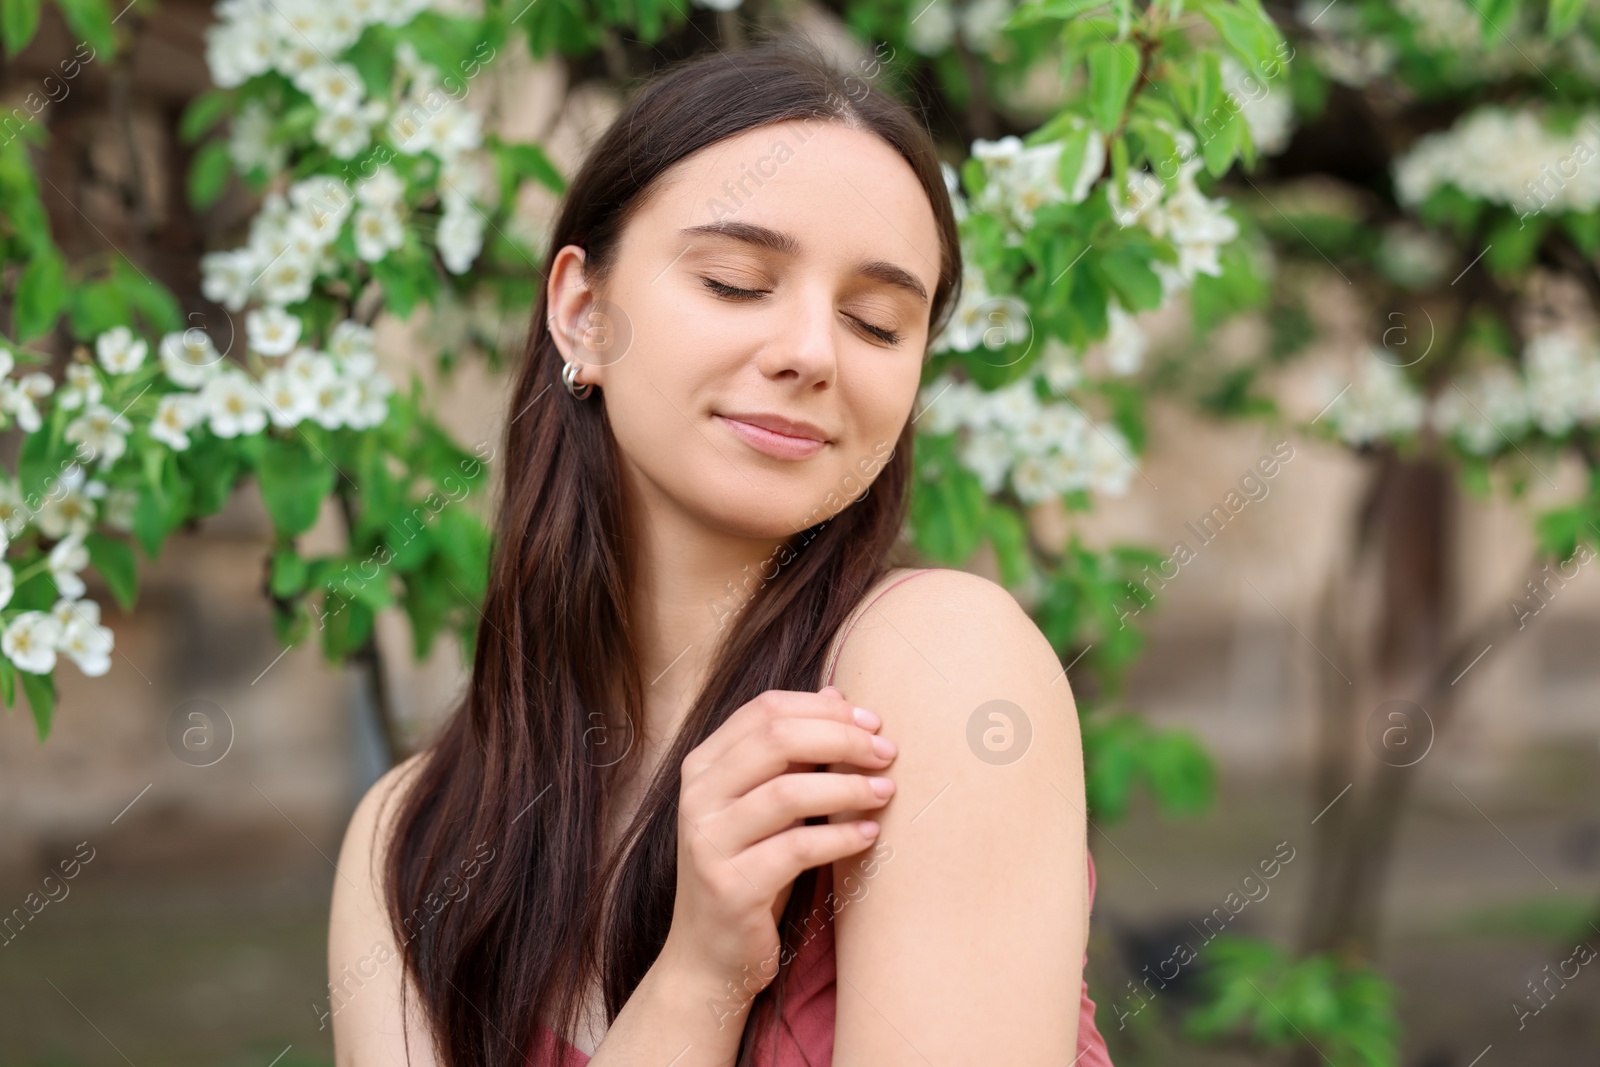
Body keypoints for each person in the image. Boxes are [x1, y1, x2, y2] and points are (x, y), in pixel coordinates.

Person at [328, 32, 1112, 1067]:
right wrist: (699, 977)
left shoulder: (930, 674)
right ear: (582, 311)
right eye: (738, 281)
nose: (808, 352)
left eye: (877, 322)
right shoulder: (412, 838)